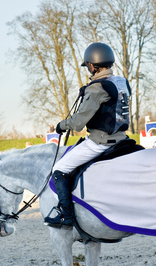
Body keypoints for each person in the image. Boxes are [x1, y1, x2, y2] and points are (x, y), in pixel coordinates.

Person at [44, 42, 131, 230]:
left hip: (100, 142)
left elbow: (77, 123)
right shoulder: (122, 82)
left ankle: (65, 216)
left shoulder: (96, 88)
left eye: (88, 67)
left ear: (92, 66)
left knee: (59, 170)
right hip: (123, 139)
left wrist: (61, 125)